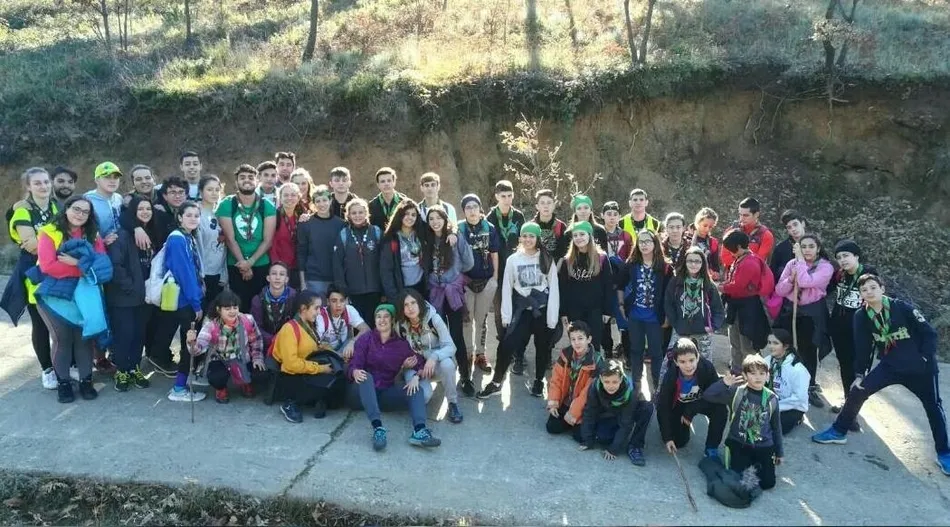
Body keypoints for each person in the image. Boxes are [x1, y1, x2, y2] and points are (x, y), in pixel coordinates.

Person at [813, 274, 950, 475]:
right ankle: (839, 431)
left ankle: (944, 453)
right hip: (890, 366)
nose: (869, 292)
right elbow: (863, 347)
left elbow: (929, 333)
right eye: (864, 290)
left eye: (873, 287)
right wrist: (859, 374)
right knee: (858, 390)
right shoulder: (862, 316)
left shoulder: (901, 307)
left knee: (933, 407)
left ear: (882, 289)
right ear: (860, 294)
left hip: (921, 370)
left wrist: (924, 358)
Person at [35, 196, 110, 403]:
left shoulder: (93, 234)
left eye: (85, 212)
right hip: (56, 295)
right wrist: (84, 269)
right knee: (62, 339)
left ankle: (86, 381)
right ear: (66, 209)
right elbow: (48, 266)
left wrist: (76, 263)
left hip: (87, 297)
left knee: (84, 339)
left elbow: (102, 266)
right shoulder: (49, 232)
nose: (80, 214)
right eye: (76, 209)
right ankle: (64, 384)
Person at [478, 222, 559, 399]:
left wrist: (552, 318)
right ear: (520, 238)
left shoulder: (546, 259)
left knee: (542, 346)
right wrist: (506, 315)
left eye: (532, 236)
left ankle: (538, 380)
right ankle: (497, 382)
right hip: (521, 310)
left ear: (538, 238)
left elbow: (554, 288)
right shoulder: (513, 260)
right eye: (525, 236)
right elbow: (507, 288)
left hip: (541, 310)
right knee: (507, 344)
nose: (528, 239)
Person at [348, 304, 440, 451]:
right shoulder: (366, 339)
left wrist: (416, 376)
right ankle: (378, 429)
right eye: (378, 317)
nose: (382, 320)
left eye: (386, 316)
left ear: (392, 321)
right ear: (375, 320)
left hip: (385, 393)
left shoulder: (401, 345)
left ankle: (420, 431)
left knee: (416, 389)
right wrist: (355, 371)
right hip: (362, 393)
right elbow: (354, 363)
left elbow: (419, 363)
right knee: (366, 376)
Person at [2, 168, 59, 389]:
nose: (43, 186)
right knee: (41, 322)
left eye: (46, 182)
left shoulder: (55, 206)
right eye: (37, 183)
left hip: (57, 270)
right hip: (34, 273)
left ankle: (64, 363)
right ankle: (47, 369)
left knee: (62, 321)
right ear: (28, 186)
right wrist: (58, 238)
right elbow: (33, 246)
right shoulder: (22, 212)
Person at [704, 355, 783, 490]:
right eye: (753, 373)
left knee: (768, 484)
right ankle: (748, 465)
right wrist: (724, 383)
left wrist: (779, 452)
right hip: (739, 443)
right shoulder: (737, 392)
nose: (758, 377)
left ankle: (755, 465)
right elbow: (708, 395)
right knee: (738, 478)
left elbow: (776, 427)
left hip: (763, 445)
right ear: (745, 375)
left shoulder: (772, 398)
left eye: (762, 373)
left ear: (767, 376)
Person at [773, 233, 833, 408]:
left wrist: (799, 262)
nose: (807, 250)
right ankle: (783, 382)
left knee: (808, 351)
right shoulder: (791, 264)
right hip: (790, 311)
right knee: (786, 348)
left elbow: (806, 281)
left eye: (811, 246)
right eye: (803, 246)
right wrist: (791, 279)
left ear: (818, 249)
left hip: (811, 314)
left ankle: (808, 386)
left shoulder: (825, 267)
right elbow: (780, 290)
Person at [271, 291, 348, 423]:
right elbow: (291, 364)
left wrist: (337, 356)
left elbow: (315, 347)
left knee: (338, 377)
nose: (319, 312)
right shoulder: (289, 329)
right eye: (316, 308)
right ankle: (291, 403)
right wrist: (320, 368)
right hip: (291, 377)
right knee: (328, 382)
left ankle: (317, 400)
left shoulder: (308, 325)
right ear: (303, 308)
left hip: (306, 370)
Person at [106, 197, 157, 392]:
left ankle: (134, 367)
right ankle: (121, 370)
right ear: (132, 212)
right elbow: (116, 266)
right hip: (124, 297)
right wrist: (130, 286)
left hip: (144, 297)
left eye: (148, 208)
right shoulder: (122, 235)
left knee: (139, 334)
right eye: (140, 209)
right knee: (124, 334)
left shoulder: (151, 233)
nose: (145, 212)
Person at [423, 205, 474, 397]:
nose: (435, 222)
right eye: (431, 219)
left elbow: (469, 262)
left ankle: (465, 377)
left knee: (456, 334)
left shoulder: (455, 237)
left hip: (452, 292)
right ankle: (441, 373)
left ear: (445, 219)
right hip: (434, 293)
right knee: (437, 334)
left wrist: (455, 276)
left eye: (438, 218)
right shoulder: (426, 239)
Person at [185, 290, 266, 404]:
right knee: (217, 377)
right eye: (227, 309)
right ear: (219, 310)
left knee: (260, 372)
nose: (232, 311)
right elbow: (198, 350)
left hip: (243, 358)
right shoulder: (211, 325)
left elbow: (256, 341)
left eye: (235, 307)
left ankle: (245, 382)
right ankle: (221, 388)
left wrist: (257, 358)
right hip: (220, 360)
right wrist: (191, 342)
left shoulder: (248, 320)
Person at [161, 202, 207, 403]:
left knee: (190, 342)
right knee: (189, 343)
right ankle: (179, 388)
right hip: (185, 300)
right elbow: (184, 273)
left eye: (196, 215)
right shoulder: (177, 239)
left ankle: (184, 382)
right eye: (188, 215)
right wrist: (196, 303)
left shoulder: (188, 237)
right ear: (179, 217)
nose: (193, 219)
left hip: (190, 297)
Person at [395, 288, 463, 423]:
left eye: (413, 303)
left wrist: (434, 357)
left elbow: (451, 347)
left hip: (434, 366)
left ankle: (452, 403)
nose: (410, 308)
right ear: (402, 309)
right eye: (406, 305)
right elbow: (401, 353)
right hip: (416, 367)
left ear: (419, 303)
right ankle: (407, 386)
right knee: (424, 397)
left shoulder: (434, 319)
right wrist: (408, 368)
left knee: (447, 364)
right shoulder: (400, 326)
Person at [217, 164, 278, 312]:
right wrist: (244, 266)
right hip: (236, 265)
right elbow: (230, 239)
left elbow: (268, 240)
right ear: (236, 182)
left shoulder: (267, 205)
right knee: (238, 307)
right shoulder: (227, 204)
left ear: (257, 181)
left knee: (260, 308)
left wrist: (250, 262)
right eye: (242, 177)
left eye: (251, 177)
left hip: (261, 264)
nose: (247, 180)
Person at [827, 239, 878, 414]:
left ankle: (855, 403)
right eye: (839, 257)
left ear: (856, 256)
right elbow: (825, 289)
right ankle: (848, 400)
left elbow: (878, 297)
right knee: (844, 363)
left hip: (861, 329)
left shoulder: (868, 273)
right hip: (839, 326)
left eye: (846, 255)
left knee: (859, 367)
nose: (842, 260)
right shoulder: (839, 274)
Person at [656, 338, 727, 461]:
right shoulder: (671, 376)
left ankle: (711, 447)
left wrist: (690, 411)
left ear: (698, 357)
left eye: (691, 360)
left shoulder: (707, 367)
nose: (688, 366)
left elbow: (715, 395)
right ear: (676, 362)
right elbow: (663, 406)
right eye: (682, 362)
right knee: (679, 442)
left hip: (701, 402)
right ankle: (682, 426)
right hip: (679, 405)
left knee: (720, 410)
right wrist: (667, 437)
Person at [662, 247, 725, 381]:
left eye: (697, 261)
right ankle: (665, 390)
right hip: (681, 330)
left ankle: (705, 390)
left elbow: (718, 309)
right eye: (690, 261)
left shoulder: (709, 285)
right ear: (685, 262)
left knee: (705, 365)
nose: (693, 264)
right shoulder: (676, 282)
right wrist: (676, 323)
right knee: (669, 363)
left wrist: (712, 326)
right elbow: (668, 304)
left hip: (703, 332)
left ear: (703, 264)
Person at [579, 359, 655, 466]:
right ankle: (614, 434)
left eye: (615, 382)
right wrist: (587, 440)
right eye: (607, 382)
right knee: (604, 439)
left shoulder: (631, 392)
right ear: (600, 378)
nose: (611, 386)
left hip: (627, 412)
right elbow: (589, 413)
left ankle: (635, 446)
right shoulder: (595, 387)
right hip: (610, 414)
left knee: (647, 408)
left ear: (621, 379)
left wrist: (614, 449)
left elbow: (626, 423)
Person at [621, 229, 671, 387]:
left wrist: (668, 316)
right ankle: (636, 384)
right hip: (635, 315)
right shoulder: (631, 264)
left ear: (655, 243)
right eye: (641, 242)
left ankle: (657, 384)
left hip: (655, 317)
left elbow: (669, 294)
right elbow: (621, 285)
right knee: (636, 350)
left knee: (656, 352)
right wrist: (622, 305)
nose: (644, 245)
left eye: (648, 241)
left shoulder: (665, 267)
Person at [458, 193, 499, 377]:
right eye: (468, 207)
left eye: (475, 206)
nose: (472, 210)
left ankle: (480, 354)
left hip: (486, 280)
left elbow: (494, 253)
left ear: (480, 208)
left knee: (481, 320)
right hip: (466, 282)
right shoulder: (458, 229)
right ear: (464, 211)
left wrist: (495, 278)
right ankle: (468, 354)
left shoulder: (489, 228)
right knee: (466, 320)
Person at [486, 180, 525, 370]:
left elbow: (524, 241)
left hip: (516, 271)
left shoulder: (518, 216)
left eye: (510, 196)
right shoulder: (489, 218)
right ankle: (504, 347)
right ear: (496, 196)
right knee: (500, 311)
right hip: (498, 271)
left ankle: (518, 353)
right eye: (503, 196)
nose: (507, 199)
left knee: (518, 309)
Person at [720, 230, 771, 374]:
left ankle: (753, 373)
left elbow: (738, 286)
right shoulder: (743, 259)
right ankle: (737, 369)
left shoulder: (749, 262)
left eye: (731, 249)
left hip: (747, 308)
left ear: (738, 246)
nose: (730, 253)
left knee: (746, 344)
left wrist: (721, 287)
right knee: (735, 340)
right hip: (737, 306)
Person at [558, 221, 613, 352]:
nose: (579, 238)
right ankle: (578, 365)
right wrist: (563, 312)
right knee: (577, 343)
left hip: (595, 309)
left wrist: (607, 311)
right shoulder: (568, 260)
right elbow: (563, 288)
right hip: (575, 310)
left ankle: (594, 365)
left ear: (590, 236)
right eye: (575, 235)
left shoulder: (601, 258)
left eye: (582, 234)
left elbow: (608, 285)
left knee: (594, 343)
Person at [545, 321, 603, 436]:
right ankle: (571, 421)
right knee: (552, 427)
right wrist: (553, 403)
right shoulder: (565, 355)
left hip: (585, 404)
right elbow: (556, 380)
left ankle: (582, 422)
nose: (577, 343)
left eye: (580, 338)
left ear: (589, 339)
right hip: (567, 400)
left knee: (579, 435)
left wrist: (574, 413)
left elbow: (588, 392)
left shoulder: (596, 361)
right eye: (573, 339)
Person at [333, 198, 384, 325]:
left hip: (375, 290)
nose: (357, 216)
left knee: (375, 325)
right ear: (348, 215)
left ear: (366, 213)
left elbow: (384, 263)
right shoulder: (344, 235)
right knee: (358, 326)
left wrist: (384, 289)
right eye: (354, 213)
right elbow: (337, 264)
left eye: (361, 212)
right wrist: (343, 291)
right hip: (353, 291)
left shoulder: (376, 232)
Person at [297, 185, 345, 300]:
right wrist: (303, 283)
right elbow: (301, 254)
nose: (321, 204)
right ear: (313, 203)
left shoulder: (341, 224)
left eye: (324, 200)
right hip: (314, 278)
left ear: (330, 200)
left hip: (335, 278)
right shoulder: (306, 224)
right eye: (318, 201)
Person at [380, 199, 430, 301]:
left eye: (413, 215)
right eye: (406, 214)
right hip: (402, 287)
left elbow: (441, 227)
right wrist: (393, 296)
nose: (410, 217)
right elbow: (386, 271)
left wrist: (452, 233)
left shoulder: (421, 233)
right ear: (400, 215)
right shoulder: (391, 238)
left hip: (422, 284)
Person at [601, 201, 633, 358]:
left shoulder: (625, 235)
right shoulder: (598, 233)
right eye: (608, 214)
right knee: (604, 317)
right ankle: (607, 350)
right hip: (604, 280)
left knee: (623, 316)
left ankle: (626, 352)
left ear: (620, 216)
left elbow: (631, 257)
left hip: (621, 280)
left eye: (615, 214)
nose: (612, 217)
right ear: (602, 215)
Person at [764, 329, 809, 434]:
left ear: (786, 346)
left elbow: (799, 398)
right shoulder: (767, 361)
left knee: (773, 429)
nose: (771, 346)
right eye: (769, 342)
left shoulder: (798, 369)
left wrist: (775, 407)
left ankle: (798, 419)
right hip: (772, 400)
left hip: (791, 406)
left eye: (775, 343)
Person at [196, 176, 227, 315]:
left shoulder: (220, 213)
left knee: (215, 315)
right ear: (201, 191)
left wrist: (224, 274)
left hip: (218, 272)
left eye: (217, 190)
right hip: (203, 273)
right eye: (209, 189)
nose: (214, 193)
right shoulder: (196, 213)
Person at [250, 262, 297, 354]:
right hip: (266, 345)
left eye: (282, 274)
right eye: (274, 273)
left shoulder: (295, 298)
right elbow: (256, 326)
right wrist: (273, 339)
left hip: (289, 343)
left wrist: (284, 339)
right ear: (268, 278)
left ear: (286, 279)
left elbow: (297, 324)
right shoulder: (258, 299)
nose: (277, 277)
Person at [269, 182, 306, 290]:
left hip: (299, 268)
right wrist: (276, 266)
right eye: (286, 195)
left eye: (293, 195)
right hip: (280, 268)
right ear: (280, 198)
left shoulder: (302, 216)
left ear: (298, 198)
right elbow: (271, 243)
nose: (289, 198)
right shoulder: (274, 216)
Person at [720, 198, 774, 269]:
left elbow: (758, 262)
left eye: (746, 215)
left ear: (756, 214)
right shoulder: (730, 231)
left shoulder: (765, 235)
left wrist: (738, 260)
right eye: (740, 215)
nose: (741, 219)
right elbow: (725, 258)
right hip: (732, 273)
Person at [315, 286, 370, 357]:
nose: (338, 305)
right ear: (328, 302)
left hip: (344, 347)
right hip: (325, 352)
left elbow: (366, 329)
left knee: (362, 343)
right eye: (334, 301)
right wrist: (337, 355)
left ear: (346, 301)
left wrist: (353, 342)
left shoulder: (349, 310)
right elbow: (317, 343)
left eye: (342, 301)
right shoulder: (321, 315)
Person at [85, 162, 124, 244]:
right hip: (96, 247)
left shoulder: (119, 198)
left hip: (119, 245)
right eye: (107, 177)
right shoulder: (87, 200)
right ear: (97, 180)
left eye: (116, 177)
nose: (112, 181)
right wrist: (102, 242)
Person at [684, 207, 722, 281]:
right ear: (697, 223)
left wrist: (715, 273)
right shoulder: (686, 239)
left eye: (710, 227)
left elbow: (715, 266)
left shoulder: (713, 242)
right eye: (705, 225)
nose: (707, 229)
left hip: (706, 279)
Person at [770, 209, 807, 281]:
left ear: (803, 223)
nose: (793, 229)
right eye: (789, 227)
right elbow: (773, 274)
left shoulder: (814, 245)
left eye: (795, 224)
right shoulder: (780, 249)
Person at [532, 189, 568, 260]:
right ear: (537, 206)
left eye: (549, 203)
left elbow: (564, 252)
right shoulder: (531, 226)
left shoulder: (561, 226)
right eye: (542, 203)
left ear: (554, 205)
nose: (546, 206)